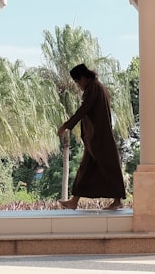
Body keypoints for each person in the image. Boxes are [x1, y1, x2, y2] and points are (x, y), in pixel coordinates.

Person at [56, 63, 126, 210]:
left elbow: (83, 110)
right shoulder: (96, 87)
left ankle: (118, 200)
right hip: (95, 138)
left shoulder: (94, 88)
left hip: (100, 137)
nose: (78, 86)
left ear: (83, 78)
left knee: (109, 167)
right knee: (86, 170)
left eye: (77, 82)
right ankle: (74, 201)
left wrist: (66, 125)